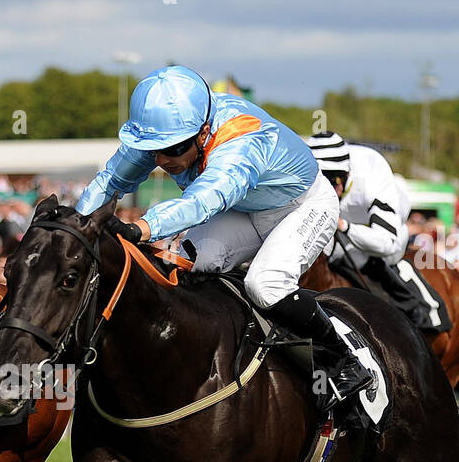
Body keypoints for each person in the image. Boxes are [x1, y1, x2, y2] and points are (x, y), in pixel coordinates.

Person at [77, 65, 372, 408]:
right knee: (177, 265)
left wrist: (142, 227)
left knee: (265, 286)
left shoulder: (241, 137)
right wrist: (80, 226)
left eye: (172, 149)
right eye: (153, 149)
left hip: (302, 207)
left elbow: (204, 200)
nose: (160, 159)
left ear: (203, 132)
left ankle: (344, 358)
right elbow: (110, 181)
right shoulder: (168, 129)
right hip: (244, 211)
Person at [304, 132, 439, 329]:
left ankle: (412, 308)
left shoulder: (371, 177)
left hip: (389, 227)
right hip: (346, 217)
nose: (330, 190)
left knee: (366, 256)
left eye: (334, 182)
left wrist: (344, 226)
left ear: (346, 175)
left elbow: (387, 243)